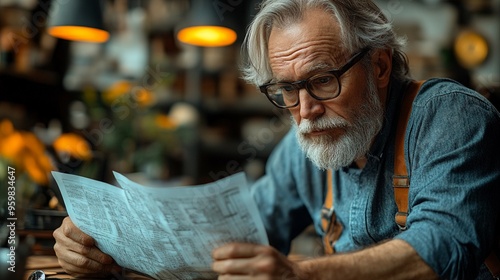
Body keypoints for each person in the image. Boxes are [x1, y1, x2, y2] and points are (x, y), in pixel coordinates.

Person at [53, 0, 500, 279]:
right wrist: (106, 249)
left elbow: (446, 248)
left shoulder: (449, 116)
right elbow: (237, 235)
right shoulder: (304, 147)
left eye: (323, 80)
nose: (304, 111)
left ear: (379, 67)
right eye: (286, 90)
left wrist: (301, 276)